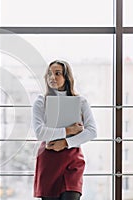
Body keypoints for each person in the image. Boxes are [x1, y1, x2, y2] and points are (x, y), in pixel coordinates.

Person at [32, 60, 97, 200]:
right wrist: (68, 130)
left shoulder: (80, 101)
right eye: (49, 73)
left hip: (72, 159)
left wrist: (66, 142)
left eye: (57, 73)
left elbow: (92, 131)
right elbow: (39, 132)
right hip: (49, 158)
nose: (52, 77)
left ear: (66, 77)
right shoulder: (41, 101)